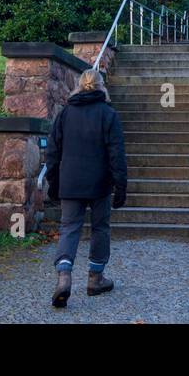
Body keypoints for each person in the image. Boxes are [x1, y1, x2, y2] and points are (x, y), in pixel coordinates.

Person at [45, 67, 127, 308]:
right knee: (100, 227)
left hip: (70, 181)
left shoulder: (65, 114)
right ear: (101, 86)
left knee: (69, 227)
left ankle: (64, 275)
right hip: (99, 182)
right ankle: (95, 276)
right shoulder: (108, 114)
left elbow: (53, 152)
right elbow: (117, 154)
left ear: (79, 85)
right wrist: (120, 185)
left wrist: (53, 182)